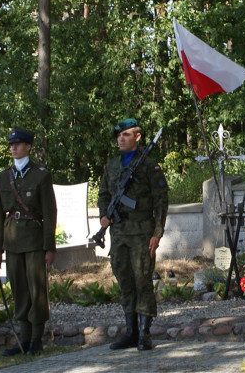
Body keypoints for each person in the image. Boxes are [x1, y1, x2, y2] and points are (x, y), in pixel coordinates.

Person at [99, 118, 168, 351]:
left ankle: (144, 334)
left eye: (126, 134)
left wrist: (157, 232)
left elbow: (161, 201)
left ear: (137, 137)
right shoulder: (111, 166)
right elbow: (104, 194)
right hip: (118, 233)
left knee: (143, 282)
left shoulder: (149, 166)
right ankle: (130, 332)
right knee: (125, 281)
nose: (121, 138)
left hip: (141, 234)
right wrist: (103, 216)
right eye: (119, 135)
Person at [0, 127, 57, 357]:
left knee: (36, 289)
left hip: (35, 241)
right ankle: (23, 338)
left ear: (28, 146)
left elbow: (50, 213)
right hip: (12, 241)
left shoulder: (41, 175)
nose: (13, 148)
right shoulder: (2, 177)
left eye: (18, 144)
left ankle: (36, 338)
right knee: (19, 289)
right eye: (11, 144)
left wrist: (49, 248)